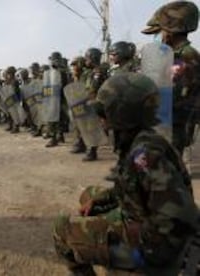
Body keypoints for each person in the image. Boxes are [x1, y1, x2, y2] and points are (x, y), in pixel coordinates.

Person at [53, 73, 198, 275]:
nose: (102, 119)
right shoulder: (138, 139)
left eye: (105, 112)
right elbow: (132, 186)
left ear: (123, 112)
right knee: (90, 194)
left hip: (154, 248)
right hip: (142, 219)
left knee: (61, 228)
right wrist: (100, 200)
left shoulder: (144, 155)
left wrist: (139, 255)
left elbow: (181, 218)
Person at [142, 0, 200, 155]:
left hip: (173, 126)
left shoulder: (185, 56)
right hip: (166, 124)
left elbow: (175, 96)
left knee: (168, 171)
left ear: (170, 31)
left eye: (158, 32)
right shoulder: (169, 55)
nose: (156, 37)